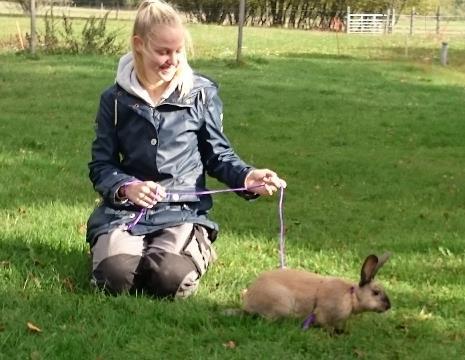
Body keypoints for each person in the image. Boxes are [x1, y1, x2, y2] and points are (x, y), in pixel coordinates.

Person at [86, 0, 286, 299]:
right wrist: (127, 187)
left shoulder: (200, 94)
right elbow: (101, 165)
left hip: (182, 211)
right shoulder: (113, 100)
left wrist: (247, 177)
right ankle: (119, 248)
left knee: (169, 280)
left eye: (179, 51)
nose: (173, 60)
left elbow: (218, 155)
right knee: (115, 279)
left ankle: (195, 246)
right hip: (126, 213)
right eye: (163, 52)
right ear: (139, 45)